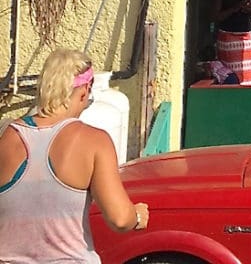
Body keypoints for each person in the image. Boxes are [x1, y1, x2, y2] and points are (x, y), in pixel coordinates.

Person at [0, 49, 150, 261]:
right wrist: (135, 216)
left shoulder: (6, 136)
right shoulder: (94, 141)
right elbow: (118, 218)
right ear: (84, 90)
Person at [209, 0, 251, 85]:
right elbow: (215, 17)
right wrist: (233, 9)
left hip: (246, 36)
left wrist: (249, 9)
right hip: (228, 38)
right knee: (232, 72)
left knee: (248, 71)